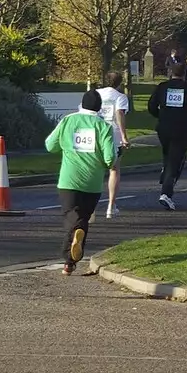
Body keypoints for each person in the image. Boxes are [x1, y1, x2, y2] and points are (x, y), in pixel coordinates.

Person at [43, 91, 116, 276]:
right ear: (99, 108)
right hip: (92, 183)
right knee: (83, 218)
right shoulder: (104, 126)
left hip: (69, 179)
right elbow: (109, 159)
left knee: (71, 216)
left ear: (81, 104)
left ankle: (69, 259)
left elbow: (50, 145)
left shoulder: (68, 120)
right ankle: (70, 262)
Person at [147, 66, 187, 210]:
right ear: (184, 73)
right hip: (181, 129)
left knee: (168, 154)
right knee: (175, 162)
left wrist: (162, 116)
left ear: (171, 73)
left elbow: (151, 106)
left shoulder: (162, 87)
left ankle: (165, 174)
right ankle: (166, 193)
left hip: (164, 128)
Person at [96, 71, 131, 218]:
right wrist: (124, 136)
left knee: (94, 170)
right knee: (114, 170)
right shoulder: (120, 97)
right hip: (113, 135)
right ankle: (111, 206)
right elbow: (120, 114)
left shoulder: (96, 93)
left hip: (96, 133)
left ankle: (91, 207)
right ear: (120, 83)